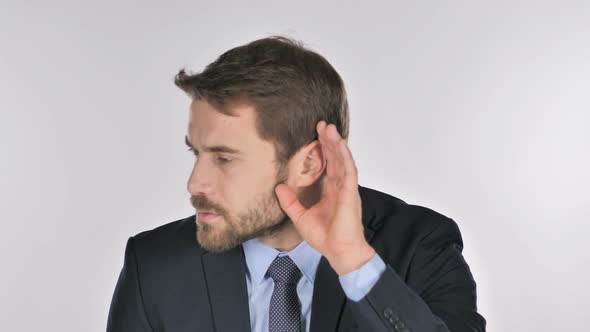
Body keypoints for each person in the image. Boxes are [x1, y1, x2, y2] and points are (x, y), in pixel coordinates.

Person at [107, 36, 486, 332]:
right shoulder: (154, 265)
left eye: (224, 158)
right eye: (196, 154)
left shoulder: (418, 247)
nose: (195, 182)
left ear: (309, 163)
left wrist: (354, 263)